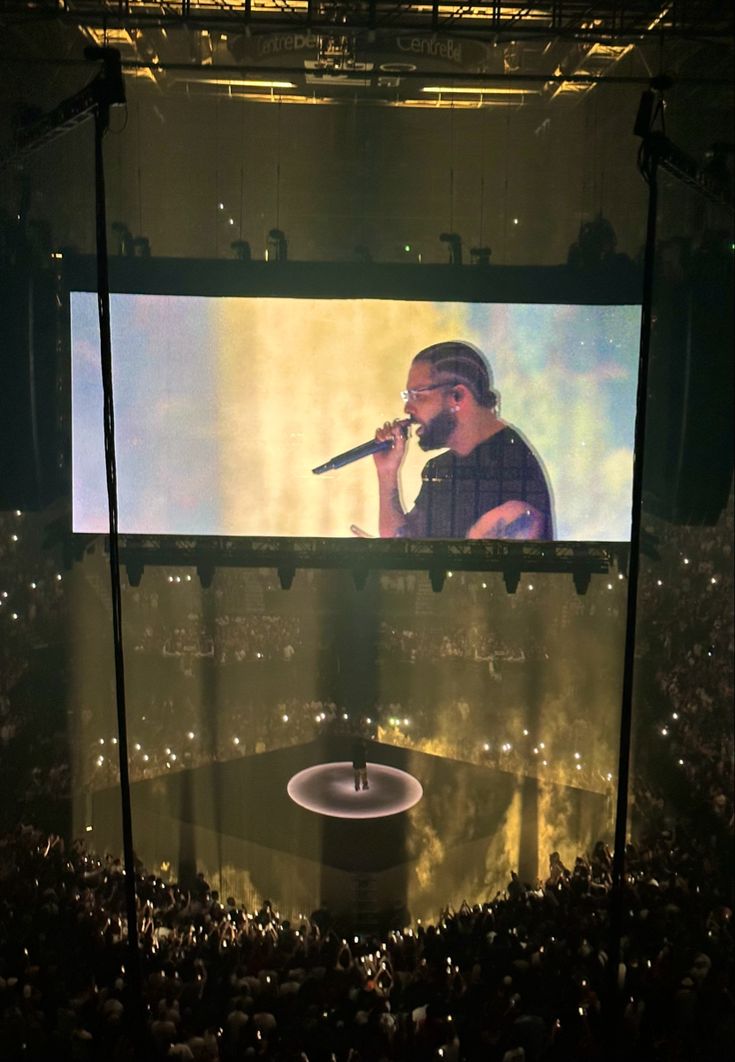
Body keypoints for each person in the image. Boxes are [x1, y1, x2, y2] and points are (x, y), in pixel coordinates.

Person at [373, 341, 554, 539]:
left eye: (417, 395)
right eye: (407, 396)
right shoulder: (442, 467)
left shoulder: (512, 467)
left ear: (457, 396)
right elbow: (402, 544)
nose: (407, 409)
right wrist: (387, 472)